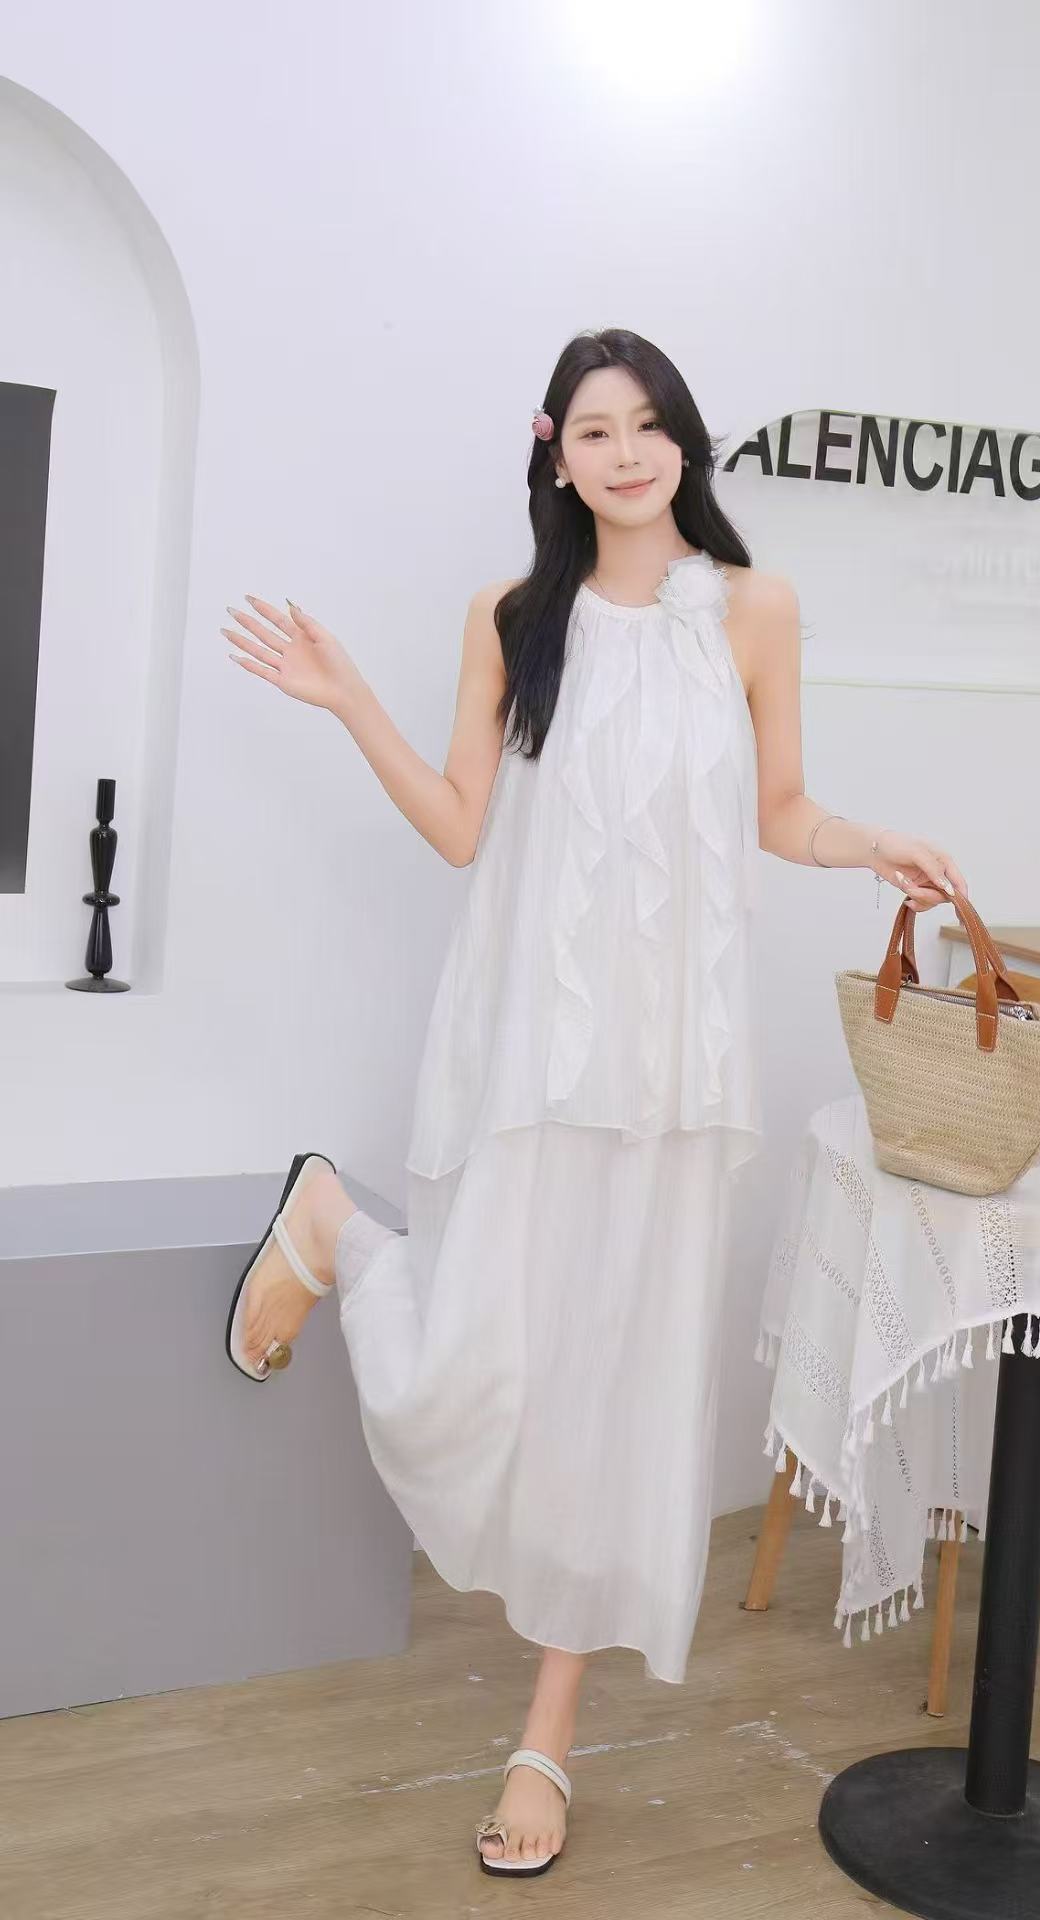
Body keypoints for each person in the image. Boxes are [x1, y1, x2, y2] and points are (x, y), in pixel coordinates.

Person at [217, 327, 969, 1878]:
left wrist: (872, 843)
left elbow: (779, 811)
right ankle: (338, 1226)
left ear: (684, 441)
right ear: (553, 451)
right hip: (539, 1053)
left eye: (648, 427)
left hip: (678, 1069)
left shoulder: (753, 609)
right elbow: (458, 826)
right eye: (595, 433)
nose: (625, 456)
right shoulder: (514, 617)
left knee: (617, 1389)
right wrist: (349, 698)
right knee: (488, 1359)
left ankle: (545, 1733)